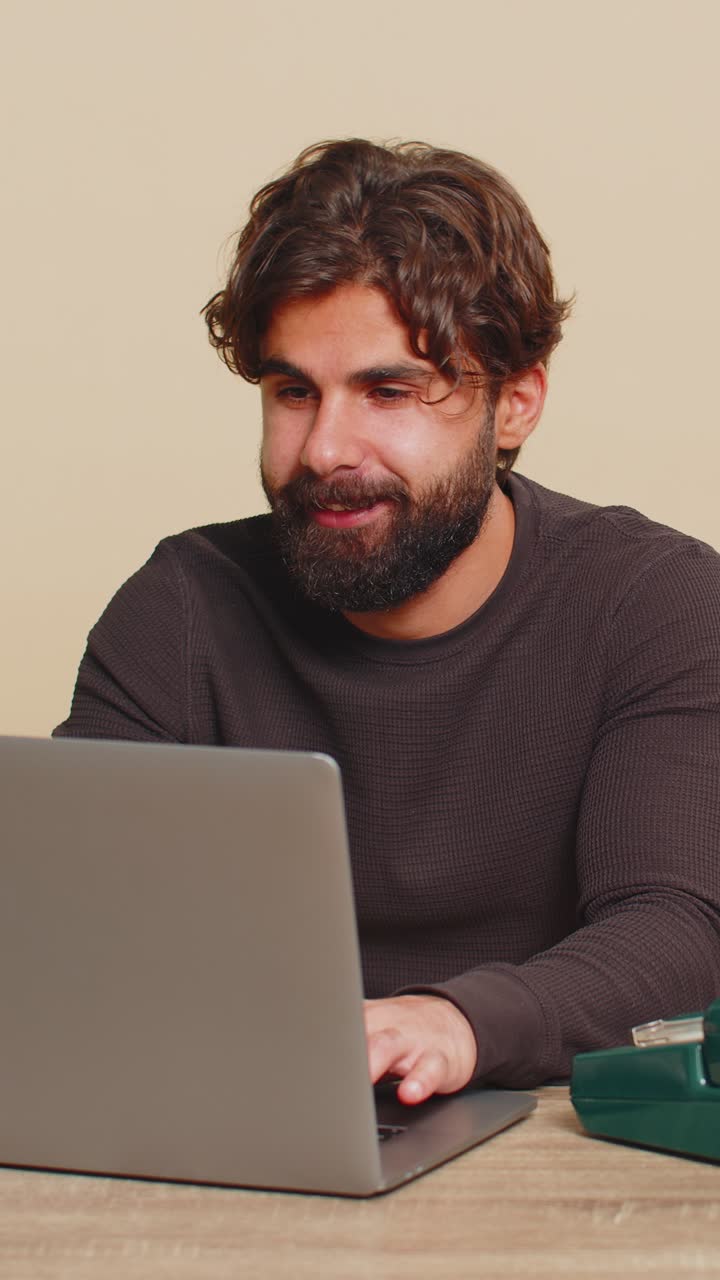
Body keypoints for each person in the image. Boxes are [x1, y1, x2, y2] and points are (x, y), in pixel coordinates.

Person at [54, 139, 720, 1103]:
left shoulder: (657, 604)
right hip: (241, 1119)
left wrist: (454, 1025)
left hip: (541, 1138)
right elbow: (68, 920)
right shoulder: (182, 607)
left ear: (515, 404)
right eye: (294, 393)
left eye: (390, 391)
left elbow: (680, 928)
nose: (325, 448)